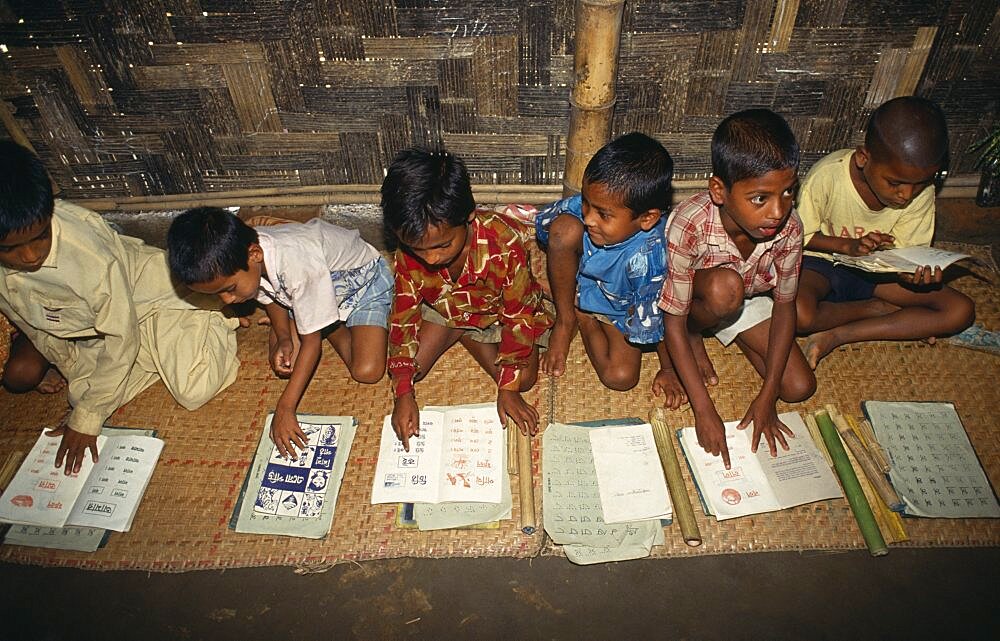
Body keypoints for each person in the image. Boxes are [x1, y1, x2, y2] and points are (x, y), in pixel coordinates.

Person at [0, 141, 239, 474]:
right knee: (81, 393)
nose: (29, 256)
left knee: (193, 390)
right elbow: (32, 325)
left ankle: (211, 315)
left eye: (40, 237)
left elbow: (121, 333)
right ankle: (159, 355)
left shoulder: (87, 254)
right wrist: (68, 367)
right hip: (94, 328)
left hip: (153, 302)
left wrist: (87, 418)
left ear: (49, 213)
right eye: (11, 249)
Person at [659, 109, 816, 469]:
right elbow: (671, 320)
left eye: (789, 191)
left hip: (745, 301)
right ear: (719, 190)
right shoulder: (690, 223)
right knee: (724, 289)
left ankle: (731, 331)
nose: (778, 210)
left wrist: (768, 395)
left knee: (798, 388)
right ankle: (700, 334)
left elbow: (785, 307)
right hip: (700, 302)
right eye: (760, 198)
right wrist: (705, 410)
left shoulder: (789, 228)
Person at [167, 208, 392, 459]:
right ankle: (318, 317)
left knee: (367, 371)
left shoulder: (295, 263)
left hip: (363, 284)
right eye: (217, 294)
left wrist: (285, 408)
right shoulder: (250, 255)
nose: (227, 299)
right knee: (287, 360)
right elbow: (266, 293)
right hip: (308, 289)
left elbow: (312, 345)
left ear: (254, 254)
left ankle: (324, 322)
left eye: (229, 289)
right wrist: (284, 335)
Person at [381, 148, 552, 450]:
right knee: (410, 368)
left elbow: (519, 315)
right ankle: (463, 330)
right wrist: (404, 391)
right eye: (417, 249)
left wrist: (508, 388)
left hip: (497, 314)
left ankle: (466, 333)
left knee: (522, 380)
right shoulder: (409, 252)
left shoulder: (505, 243)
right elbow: (403, 317)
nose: (431, 259)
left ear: (469, 217)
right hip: (445, 311)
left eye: (443, 245)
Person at [795, 96, 974, 366]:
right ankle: (876, 310)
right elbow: (799, 237)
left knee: (960, 311)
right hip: (824, 262)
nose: (906, 194)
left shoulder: (920, 193)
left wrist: (912, 275)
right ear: (863, 158)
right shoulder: (828, 176)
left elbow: (907, 254)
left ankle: (838, 335)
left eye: (920, 183)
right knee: (799, 314)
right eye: (895, 183)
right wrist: (848, 246)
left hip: (879, 275)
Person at [535, 132, 686, 407]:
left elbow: (663, 313)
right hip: (580, 279)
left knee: (621, 377)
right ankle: (566, 317)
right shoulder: (591, 208)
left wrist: (668, 367)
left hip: (620, 309)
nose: (589, 218)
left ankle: (585, 317)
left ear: (647, 218)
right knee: (564, 230)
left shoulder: (650, 259)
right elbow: (548, 231)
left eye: (603, 214)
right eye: (586, 203)